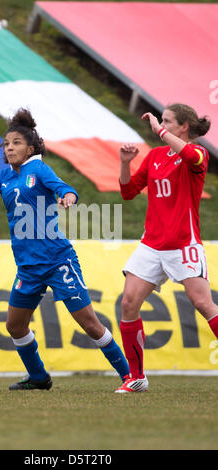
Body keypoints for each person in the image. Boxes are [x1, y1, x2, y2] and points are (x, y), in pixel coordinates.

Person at [0, 107, 129, 391]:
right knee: (15, 326)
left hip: (57, 261)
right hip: (28, 267)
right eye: (6, 144)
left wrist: (67, 197)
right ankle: (39, 377)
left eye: (16, 143)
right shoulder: (6, 177)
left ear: (30, 148)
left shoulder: (38, 169)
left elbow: (65, 188)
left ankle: (130, 376)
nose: (9, 148)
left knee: (90, 324)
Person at [116, 103, 218, 393]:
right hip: (152, 244)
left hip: (183, 243)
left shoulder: (198, 154)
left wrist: (159, 131)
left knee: (203, 303)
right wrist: (125, 163)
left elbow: (187, 153)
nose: (162, 124)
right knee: (128, 303)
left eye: (168, 121)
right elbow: (128, 192)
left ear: (184, 126)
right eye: (162, 120)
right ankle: (136, 377)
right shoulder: (156, 156)